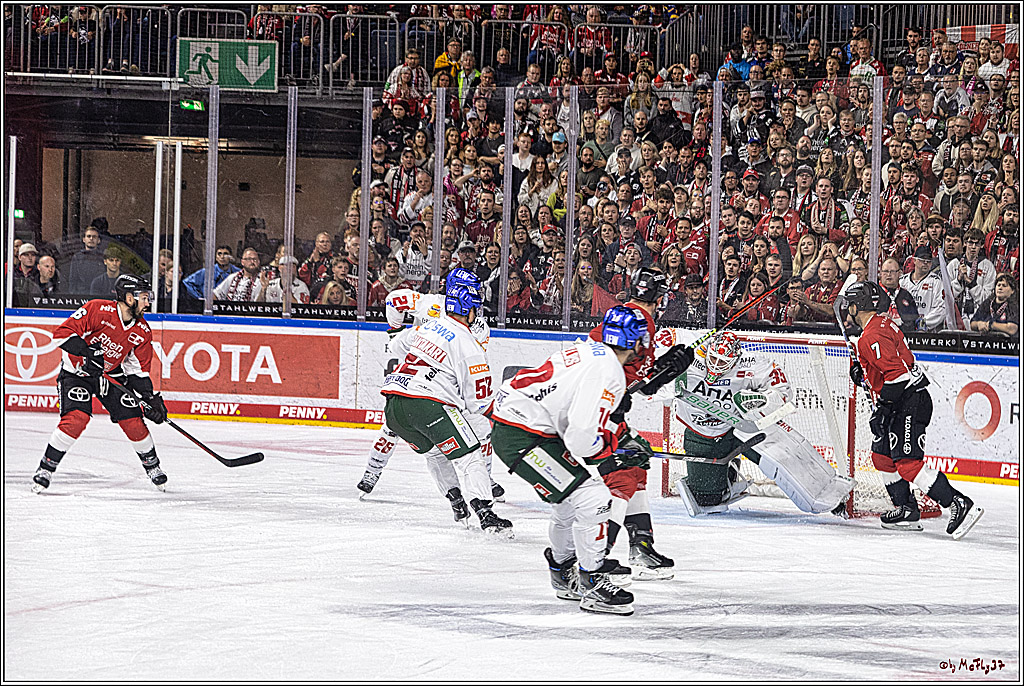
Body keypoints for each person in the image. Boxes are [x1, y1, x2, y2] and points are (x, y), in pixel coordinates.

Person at [489, 306, 661, 615]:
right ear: (636, 341)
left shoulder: (591, 350)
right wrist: (613, 452)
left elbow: (575, 420)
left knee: (568, 503)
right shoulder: (609, 371)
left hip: (519, 425)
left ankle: (562, 573)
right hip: (523, 435)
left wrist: (610, 445)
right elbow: (581, 437)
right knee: (594, 498)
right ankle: (592, 582)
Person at [841, 282, 983, 539]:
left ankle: (958, 503)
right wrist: (864, 374)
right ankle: (907, 509)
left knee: (908, 464)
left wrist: (882, 410)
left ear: (856, 306)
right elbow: (890, 367)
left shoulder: (870, 336)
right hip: (903, 400)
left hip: (908, 403)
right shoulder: (882, 325)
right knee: (882, 457)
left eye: (850, 305)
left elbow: (897, 376)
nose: (847, 310)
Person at [659, 331, 854, 518]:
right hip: (700, 432)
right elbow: (657, 351)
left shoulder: (753, 365)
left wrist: (762, 400)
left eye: (723, 362)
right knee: (707, 500)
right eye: (713, 359)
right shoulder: (691, 355)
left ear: (735, 359)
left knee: (784, 459)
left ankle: (832, 499)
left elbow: (784, 392)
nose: (716, 366)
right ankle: (728, 474)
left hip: (740, 429)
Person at [381, 270, 512, 536]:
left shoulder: (428, 325)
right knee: (470, 455)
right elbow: (479, 402)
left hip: (394, 407)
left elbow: (395, 347)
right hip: (427, 405)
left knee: (435, 453)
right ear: (470, 309)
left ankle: (457, 502)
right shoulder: (470, 345)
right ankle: (485, 513)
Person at [585, 269, 686, 580]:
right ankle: (597, 559)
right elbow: (603, 362)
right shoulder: (639, 319)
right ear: (661, 297)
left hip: (607, 404)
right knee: (623, 478)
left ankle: (641, 545)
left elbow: (633, 373)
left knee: (638, 466)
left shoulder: (630, 314)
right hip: (595, 408)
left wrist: (660, 373)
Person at [31, 275, 169, 493]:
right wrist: (87, 353)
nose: (148, 302)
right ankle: (46, 468)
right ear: (129, 298)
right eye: (144, 297)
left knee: (133, 420)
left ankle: (153, 466)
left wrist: (149, 398)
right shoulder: (97, 309)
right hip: (77, 374)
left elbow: (137, 371)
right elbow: (61, 334)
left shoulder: (142, 331)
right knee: (76, 419)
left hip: (111, 376)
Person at [899, 246, 947, 331]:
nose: (925, 263)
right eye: (922, 259)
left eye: (928, 261)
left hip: (927, 332)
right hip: (904, 329)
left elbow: (941, 308)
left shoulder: (936, 281)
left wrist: (923, 322)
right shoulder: (902, 281)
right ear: (914, 260)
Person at [67, 225, 106, 293]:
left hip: (99, 295)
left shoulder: (103, 257)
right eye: (88, 236)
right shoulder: (77, 257)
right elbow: (73, 281)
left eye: (94, 237)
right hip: (81, 295)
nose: (91, 239)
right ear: (84, 239)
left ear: (98, 240)